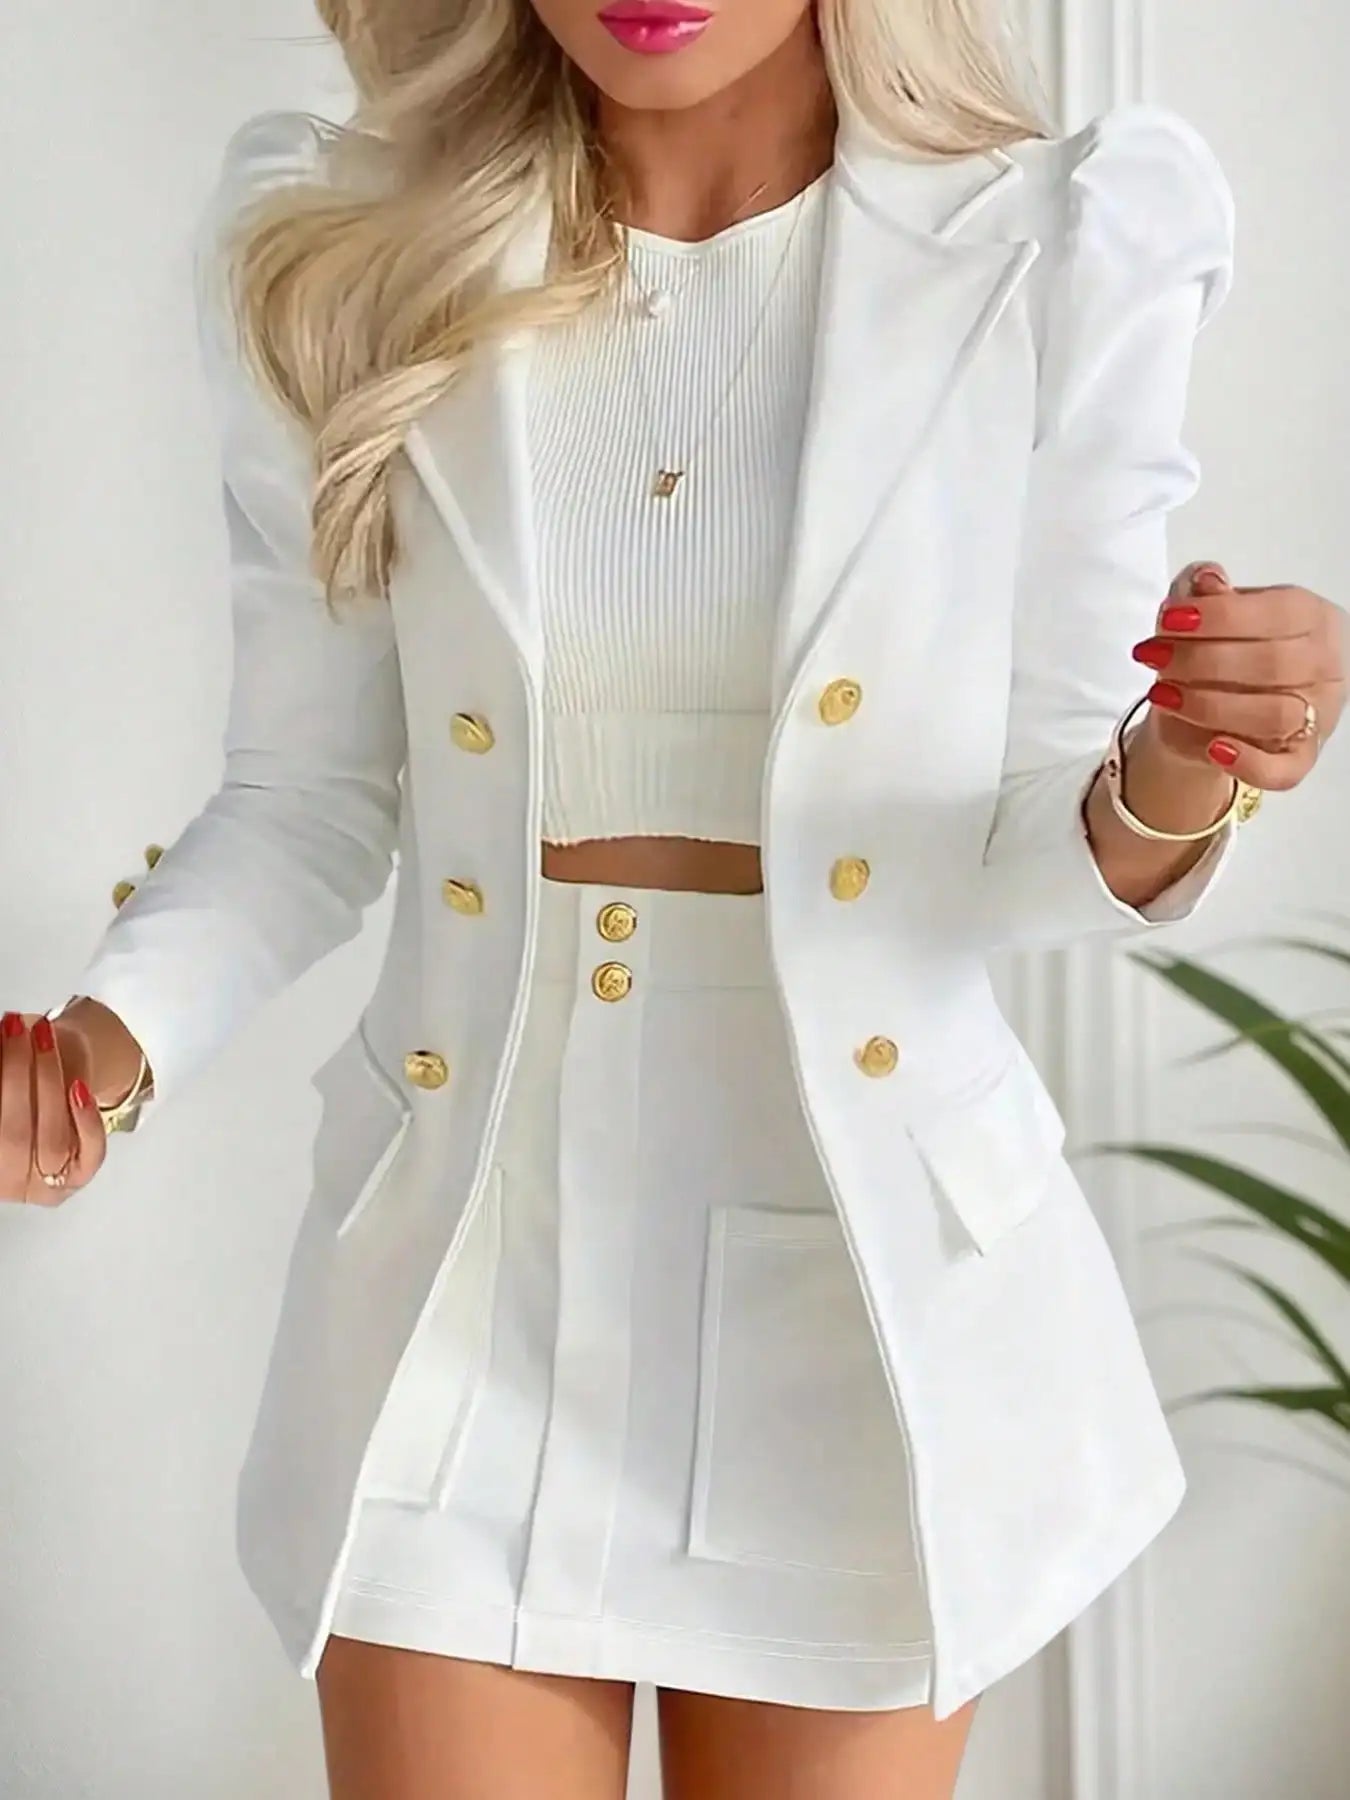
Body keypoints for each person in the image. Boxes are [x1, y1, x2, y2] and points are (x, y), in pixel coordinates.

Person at [4, 2, 1345, 1795]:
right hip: (462, 1281)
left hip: (857, 1308)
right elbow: (307, 795)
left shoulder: (1055, 246)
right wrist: (109, 1044)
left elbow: (1032, 842)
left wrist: (1191, 755)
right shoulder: (352, 250)